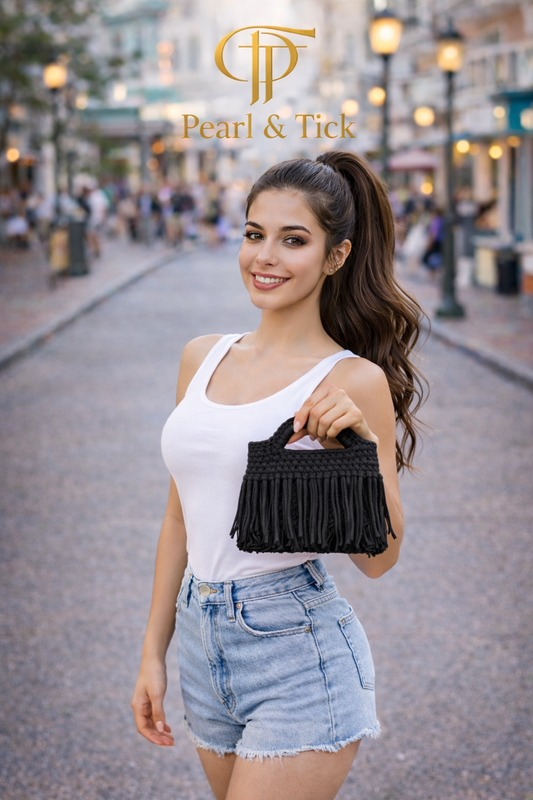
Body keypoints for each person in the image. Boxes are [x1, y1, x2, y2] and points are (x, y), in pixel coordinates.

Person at [131, 152, 428, 800]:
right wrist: (153, 652)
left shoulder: (352, 380)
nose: (263, 256)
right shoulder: (200, 357)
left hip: (296, 650)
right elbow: (179, 516)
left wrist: (357, 450)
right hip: (201, 646)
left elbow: (379, 562)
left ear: (335, 255)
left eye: (292, 239)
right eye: (253, 233)